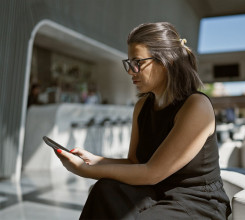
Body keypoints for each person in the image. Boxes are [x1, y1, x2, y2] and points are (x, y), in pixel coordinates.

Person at [55, 22, 231, 219]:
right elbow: (134, 162)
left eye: (137, 62)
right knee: (104, 190)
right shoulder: (142, 107)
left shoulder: (196, 106)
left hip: (197, 203)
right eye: (129, 63)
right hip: (156, 192)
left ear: (167, 62)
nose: (131, 71)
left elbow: (152, 172)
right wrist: (94, 160)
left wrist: (88, 170)